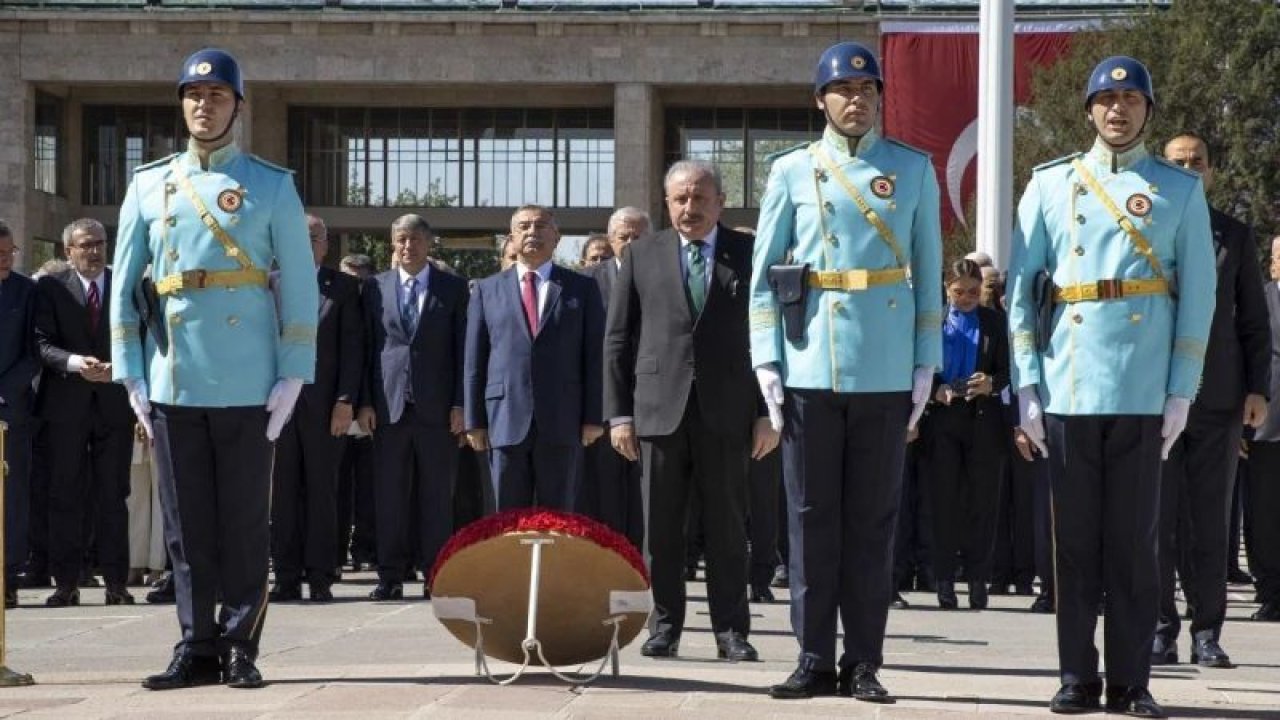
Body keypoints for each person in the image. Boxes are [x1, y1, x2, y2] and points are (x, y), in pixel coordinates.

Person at [1008, 56, 1215, 717]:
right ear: (1089, 110)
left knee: (1133, 543)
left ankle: (1130, 680)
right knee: (1073, 546)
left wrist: (1182, 388)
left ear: (1148, 111)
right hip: (1069, 384)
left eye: (1130, 100)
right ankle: (1076, 675)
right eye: (1105, 100)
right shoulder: (1049, 185)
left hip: (1141, 385)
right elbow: (1020, 293)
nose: (1117, 110)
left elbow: (1199, 301)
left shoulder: (1178, 191)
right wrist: (1027, 385)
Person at [110, 48, 318, 689]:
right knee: (185, 524)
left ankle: (238, 645)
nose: (205, 106)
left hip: (249, 376)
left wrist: (294, 372)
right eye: (194, 97)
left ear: (237, 105)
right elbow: (124, 284)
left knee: (243, 523)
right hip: (175, 375)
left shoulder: (271, 183)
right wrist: (131, 371)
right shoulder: (149, 182)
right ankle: (195, 643)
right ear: (183, 105)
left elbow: (301, 286)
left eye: (218, 97)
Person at [749, 41, 941, 702]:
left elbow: (928, 280)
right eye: (843, 90)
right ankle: (811, 654)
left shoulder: (913, 169)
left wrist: (926, 364)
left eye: (867, 90)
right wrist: (767, 360)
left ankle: (864, 660)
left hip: (884, 367)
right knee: (809, 518)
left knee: (872, 521)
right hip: (811, 365)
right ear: (821, 101)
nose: (856, 100)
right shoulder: (792, 172)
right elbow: (764, 280)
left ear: (879, 99)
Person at [604, 159, 777, 664]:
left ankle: (731, 630)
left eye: (700, 198)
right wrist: (619, 416)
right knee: (661, 530)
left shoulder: (749, 253)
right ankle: (664, 627)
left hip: (729, 413)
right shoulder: (642, 254)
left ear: (720, 202)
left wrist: (768, 411)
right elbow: (618, 340)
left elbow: (770, 336)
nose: (690, 207)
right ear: (666, 203)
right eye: (680, 198)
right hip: (657, 412)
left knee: (728, 527)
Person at [1153, 133, 1270, 668]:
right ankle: (1159, 628)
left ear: (1212, 171)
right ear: (1164, 169)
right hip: (1153, 397)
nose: (1190, 169)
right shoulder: (1145, 228)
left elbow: (1253, 320)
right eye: (1178, 162)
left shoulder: (1235, 234)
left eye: (1198, 161)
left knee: (1209, 521)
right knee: (1155, 519)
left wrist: (1257, 389)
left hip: (1219, 399)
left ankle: (1206, 631)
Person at [464, 205, 604, 510]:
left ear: (557, 237)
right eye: (524, 226)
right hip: (505, 417)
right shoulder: (486, 290)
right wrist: (474, 420)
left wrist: (593, 417)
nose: (532, 232)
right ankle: (512, 563)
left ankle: (554, 562)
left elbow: (594, 357)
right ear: (512, 237)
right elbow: (475, 361)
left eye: (541, 226)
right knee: (507, 517)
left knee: (559, 514)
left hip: (562, 418)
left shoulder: (582, 288)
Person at [356, 214, 467, 601]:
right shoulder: (373, 288)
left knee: (436, 496)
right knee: (389, 495)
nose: (408, 247)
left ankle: (436, 572)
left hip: (438, 410)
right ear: (392, 244)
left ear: (429, 243)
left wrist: (460, 403)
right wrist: (364, 403)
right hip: (388, 408)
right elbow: (366, 348)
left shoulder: (453, 288)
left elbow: (463, 350)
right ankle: (389, 574)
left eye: (416, 240)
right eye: (401, 240)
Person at [34, 219, 136, 607]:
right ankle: (67, 583)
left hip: (112, 405)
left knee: (113, 496)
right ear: (68, 251)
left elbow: (138, 335)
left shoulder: (124, 283)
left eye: (99, 243)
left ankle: (116, 583)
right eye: (85, 245)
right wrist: (77, 363)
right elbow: (40, 343)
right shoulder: (51, 288)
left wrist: (117, 368)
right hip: (65, 408)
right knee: (65, 496)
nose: (94, 251)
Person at [270, 215, 364, 603]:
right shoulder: (267, 284)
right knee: (282, 494)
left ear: (325, 245)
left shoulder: (344, 287)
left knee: (322, 493)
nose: (306, 243)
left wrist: (346, 402)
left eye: (313, 237)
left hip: (325, 407)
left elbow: (353, 349)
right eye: (297, 236)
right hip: (276, 408)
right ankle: (286, 576)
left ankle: (321, 575)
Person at [926, 258, 1009, 611]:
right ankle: (944, 579)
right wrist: (937, 390)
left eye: (974, 292)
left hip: (982, 419)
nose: (967, 298)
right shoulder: (933, 322)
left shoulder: (993, 321)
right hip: (943, 420)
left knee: (983, 504)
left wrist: (991, 384)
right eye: (959, 292)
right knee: (943, 502)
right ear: (947, 289)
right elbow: (919, 366)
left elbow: (1008, 370)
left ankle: (978, 579)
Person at [586, 207, 649, 547]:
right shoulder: (588, 282)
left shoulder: (663, 274)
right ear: (610, 240)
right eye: (623, 237)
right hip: (604, 403)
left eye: (637, 237)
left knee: (646, 493)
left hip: (653, 400)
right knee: (605, 492)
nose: (629, 243)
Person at [0, 221, 38, 609]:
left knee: (11, 498)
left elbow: (34, 350)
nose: (6, 259)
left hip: (12, 410)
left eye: (11, 252)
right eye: (0, 253)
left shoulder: (27, 291)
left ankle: (8, 576)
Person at [1245, 236, 1280, 623]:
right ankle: (1270, 591)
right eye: (1276, 256)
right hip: (1267, 423)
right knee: (1265, 515)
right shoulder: (1261, 299)